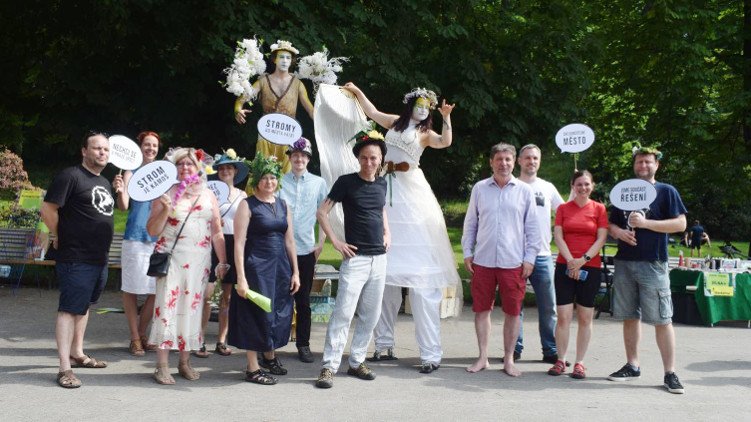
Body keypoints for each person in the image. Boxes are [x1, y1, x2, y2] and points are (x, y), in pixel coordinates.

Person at [342, 83, 459, 374]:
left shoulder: (425, 134)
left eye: (427, 108)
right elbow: (371, 112)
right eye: (419, 105)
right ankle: (383, 344)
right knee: (384, 280)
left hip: (412, 196)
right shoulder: (394, 122)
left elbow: (445, 142)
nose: (422, 110)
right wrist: (357, 91)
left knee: (421, 282)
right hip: (386, 190)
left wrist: (446, 117)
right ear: (410, 105)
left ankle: (430, 353)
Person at [607, 146, 687, 394]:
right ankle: (632, 365)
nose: (643, 166)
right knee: (629, 316)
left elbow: (680, 224)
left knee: (662, 319)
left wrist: (646, 223)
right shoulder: (624, 191)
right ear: (634, 165)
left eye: (648, 162)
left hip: (654, 263)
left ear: (656, 165)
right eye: (639, 162)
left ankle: (670, 373)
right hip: (625, 262)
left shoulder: (666, 191)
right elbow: (611, 224)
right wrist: (619, 232)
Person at [314, 129, 390, 389]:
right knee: (343, 314)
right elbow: (322, 213)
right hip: (355, 258)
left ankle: (357, 361)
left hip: (379, 259)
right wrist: (336, 242)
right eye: (365, 157)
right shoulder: (346, 182)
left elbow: (381, 210)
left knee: (371, 315)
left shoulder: (382, 184)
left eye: (374, 158)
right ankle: (329, 366)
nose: (369, 162)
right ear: (358, 158)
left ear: (381, 159)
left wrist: (387, 232)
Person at [146, 147, 228, 385]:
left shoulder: (208, 195)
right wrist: (165, 209)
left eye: (189, 164)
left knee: (192, 310)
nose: (185, 168)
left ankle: (184, 362)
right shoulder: (165, 192)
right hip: (172, 259)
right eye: (180, 164)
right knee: (167, 308)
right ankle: (162, 365)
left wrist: (223, 261)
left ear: (199, 167)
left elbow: (217, 231)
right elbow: (152, 230)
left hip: (199, 262)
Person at [41, 131, 115, 388]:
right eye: (97, 148)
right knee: (69, 309)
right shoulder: (70, 176)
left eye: (105, 149)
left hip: (99, 257)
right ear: (84, 151)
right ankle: (64, 368)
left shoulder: (104, 182)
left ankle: (77, 353)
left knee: (84, 306)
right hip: (75, 256)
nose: (102, 152)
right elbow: (47, 209)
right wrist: (58, 234)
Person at [461, 142, 541, 377]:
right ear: (491, 162)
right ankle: (482, 357)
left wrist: (530, 258)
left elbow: (533, 228)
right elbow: (470, 223)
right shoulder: (480, 189)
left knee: (513, 312)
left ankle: (508, 359)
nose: (503, 164)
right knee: (481, 310)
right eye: (499, 159)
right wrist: (467, 252)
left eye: (508, 159)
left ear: (514, 162)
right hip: (483, 261)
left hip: (513, 262)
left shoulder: (524, 191)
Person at [228, 153, 300, 385]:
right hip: (256, 267)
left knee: (277, 312)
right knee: (256, 313)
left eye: (273, 177)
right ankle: (252, 368)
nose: (269, 182)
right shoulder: (247, 205)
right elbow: (239, 243)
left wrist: (296, 271)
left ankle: (269, 356)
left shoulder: (283, 205)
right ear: (257, 180)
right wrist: (241, 277)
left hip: (280, 268)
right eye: (264, 177)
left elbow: (290, 241)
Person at [547, 170, 608, 379]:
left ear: (592, 186)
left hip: (590, 267)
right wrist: (571, 261)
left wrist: (583, 260)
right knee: (563, 316)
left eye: (586, 184)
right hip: (565, 266)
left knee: (585, 317)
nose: (583, 188)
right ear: (573, 186)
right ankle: (560, 359)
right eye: (579, 184)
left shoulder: (599, 209)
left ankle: (580, 362)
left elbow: (601, 238)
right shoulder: (563, 208)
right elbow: (558, 236)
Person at [193, 149, 249, 358]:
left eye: (229, 168)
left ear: (235, 171)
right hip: (213, 243)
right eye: (222, 168)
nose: (225, 171)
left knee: (228, 296)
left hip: (234, 244)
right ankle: (198, 340)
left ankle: (221, 340)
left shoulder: (242, 195)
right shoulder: (209, 192)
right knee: (207, 295)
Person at [512, 144, 565, 364]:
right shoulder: (511, 186)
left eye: (535, 158)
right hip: (514, 255)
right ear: (519, 161)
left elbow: (565, 212)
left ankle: (550, 349)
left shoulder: (547, 187)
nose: (531, 161)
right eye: (527, 158)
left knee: (548, 306)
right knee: (515, 306)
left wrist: (575, 192)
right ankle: (514, 347)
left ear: (539, 161)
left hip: (542, 255)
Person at [279, 137, 328, 363]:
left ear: (308, 159)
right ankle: (272, 342)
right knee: (279, 298)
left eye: (303, 156)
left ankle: (303, 344)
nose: (299, 159)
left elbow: (324, 214)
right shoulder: (279, 181)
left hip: (306, 249)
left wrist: (321, 243)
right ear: (289, 158)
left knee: (303, 301)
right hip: (281, 249)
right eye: (295, 155)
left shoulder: (318, 183)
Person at [112, 130, 160, 357]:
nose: (151, 149)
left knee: (156, 290)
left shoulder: (163, 172)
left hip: (158, 238)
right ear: (140, 147)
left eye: (155, 146)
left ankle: (142, 333)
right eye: (147, 145)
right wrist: (120, 190)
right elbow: (123, 206)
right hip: (135, 237)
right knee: (131, 288)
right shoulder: (131, 171)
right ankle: (134, 338)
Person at [234, 39, 314, 175]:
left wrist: (323, 124)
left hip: (289, 132)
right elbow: (243, 98)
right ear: (274, 59)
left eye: (288, 58)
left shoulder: (298, 84)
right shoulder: (263, 81)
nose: (284, 60)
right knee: (262, 169)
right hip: (267, 131)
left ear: (292, 61)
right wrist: (237, 109)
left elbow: (310, 109)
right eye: (281, 57)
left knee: (288, 172)